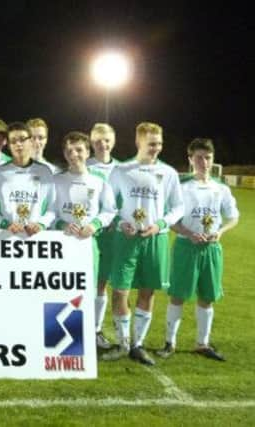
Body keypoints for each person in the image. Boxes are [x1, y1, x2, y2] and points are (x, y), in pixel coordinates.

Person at [102, 122, 184, 365]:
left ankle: (137, 344)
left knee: (147, 292)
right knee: (119, 291)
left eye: (159, 144)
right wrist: (119, 223)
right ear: (138, 142)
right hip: (125, 239)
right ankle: (122, 343)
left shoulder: (168, 173)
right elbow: (108, 206)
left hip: (154, 238)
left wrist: (160, 224)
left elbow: (178, 207)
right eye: (151, 144)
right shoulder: (121, 170)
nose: (156, 148)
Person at [157, 138, 239, 361]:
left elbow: (233, 217)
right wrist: (188, 233)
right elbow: (169, 219)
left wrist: (220, 231)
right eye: (199, 157)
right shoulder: (182, 187)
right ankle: (169, 343)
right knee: (178, 296)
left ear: (213, 160)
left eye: (208, 157)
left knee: (207, 297)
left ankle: (202, 343)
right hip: (186, 247)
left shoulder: (220, 188)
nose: (204, 162)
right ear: (190, 159)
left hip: (212, 248)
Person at [53, 131, 116, 289]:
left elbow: (109, 210)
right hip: (61, 243)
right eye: (69, 151)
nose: (74, 154)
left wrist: (94, 225)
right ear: (64, 154)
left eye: (79, 150)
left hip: (88, 242)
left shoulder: (100, 180)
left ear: (88, 152)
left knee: (87, 293)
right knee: (61, 291)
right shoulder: (56, 180)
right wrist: (62, 225)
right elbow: (48, 212)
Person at [0, 122, 56, 234]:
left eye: (22, 139)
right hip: (7, 237)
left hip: (36, 238)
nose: (18, 144)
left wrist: (41, 224)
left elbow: (53, 208)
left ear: (30, 141)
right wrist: (4, 224)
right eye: (13, 141)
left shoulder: (45, 172)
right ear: (8, 145)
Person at [86, 123, 120, 350]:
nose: (102, 144)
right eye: (98, 140)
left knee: (102, 284)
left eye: (106, 140)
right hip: (86, 235)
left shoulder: (123, 169)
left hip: (114, 235)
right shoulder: (82, 165)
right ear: (91, 142)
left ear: (113, 141)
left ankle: (96, 330)